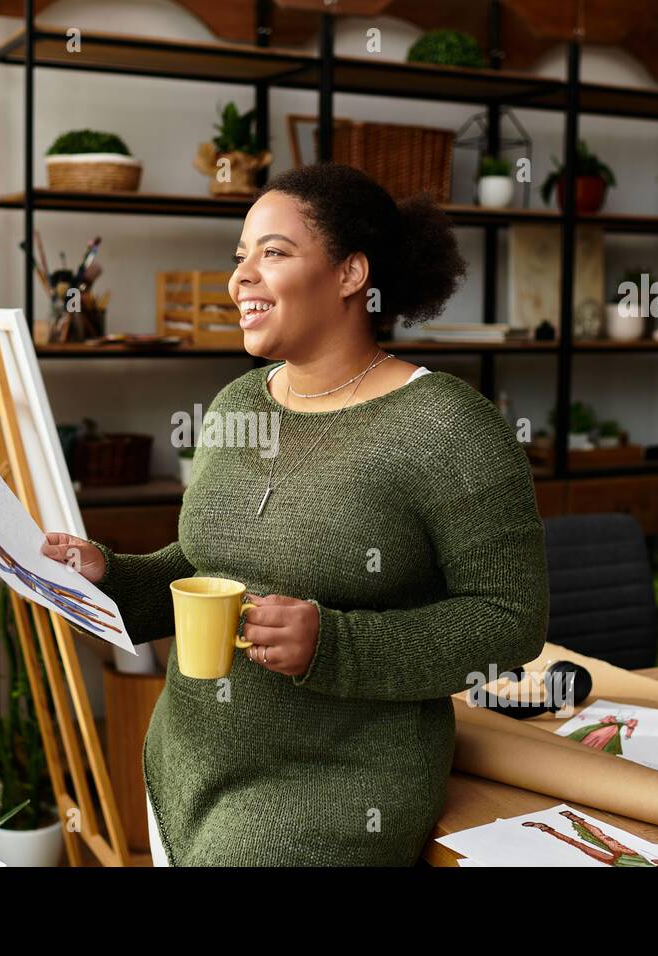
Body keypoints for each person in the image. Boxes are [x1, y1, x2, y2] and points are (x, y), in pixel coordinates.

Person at [40, 162, 549, 866]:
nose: (240, 277)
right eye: (239, 256)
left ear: (349, 274)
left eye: (272, 253)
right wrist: (112, 577)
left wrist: (334, 645)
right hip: (183, 768)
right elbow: (204, 567)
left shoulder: (449, 427)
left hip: (335, 784)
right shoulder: (236, 406)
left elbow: (508, 618)